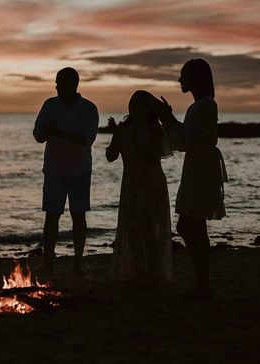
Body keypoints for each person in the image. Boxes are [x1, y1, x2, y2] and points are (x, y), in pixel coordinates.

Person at [151, 58, 227, 299]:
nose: (180, 80)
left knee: (188, 224)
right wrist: (171, 119)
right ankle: (203, 283)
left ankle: (204, 283)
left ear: (195, 78)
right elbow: (186, 136)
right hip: (197, 165)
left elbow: (186, 140)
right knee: (194, 224)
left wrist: (167, 118)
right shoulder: (200, 105)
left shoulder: (205, 106)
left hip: (201, 167)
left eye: (183, 75)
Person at [33, 67, 99, 276]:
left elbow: (86, 140)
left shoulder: (88, 109)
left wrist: (58, 132)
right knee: (51, 217)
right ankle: (48, 262)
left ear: (73, 85)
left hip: (79, 170)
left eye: (60, 83)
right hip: (53, 170)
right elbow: (38, 135)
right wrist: (47, 132)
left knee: (78, 217)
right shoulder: (50, 105)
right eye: (56, 83)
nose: (56, 87)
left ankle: (77, 262)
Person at [106, 90, 172, 283]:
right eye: (133, 105)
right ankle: (138, 270)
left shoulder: (155, 130)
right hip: (131, 184)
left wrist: (130, 139)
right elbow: (111, 156)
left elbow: (152, 158)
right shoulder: (124, 129)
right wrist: (116, 137)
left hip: (152, 183)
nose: (135, 109)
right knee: (132, 228)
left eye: (140, 105)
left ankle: (153, 272)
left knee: (151, 229)